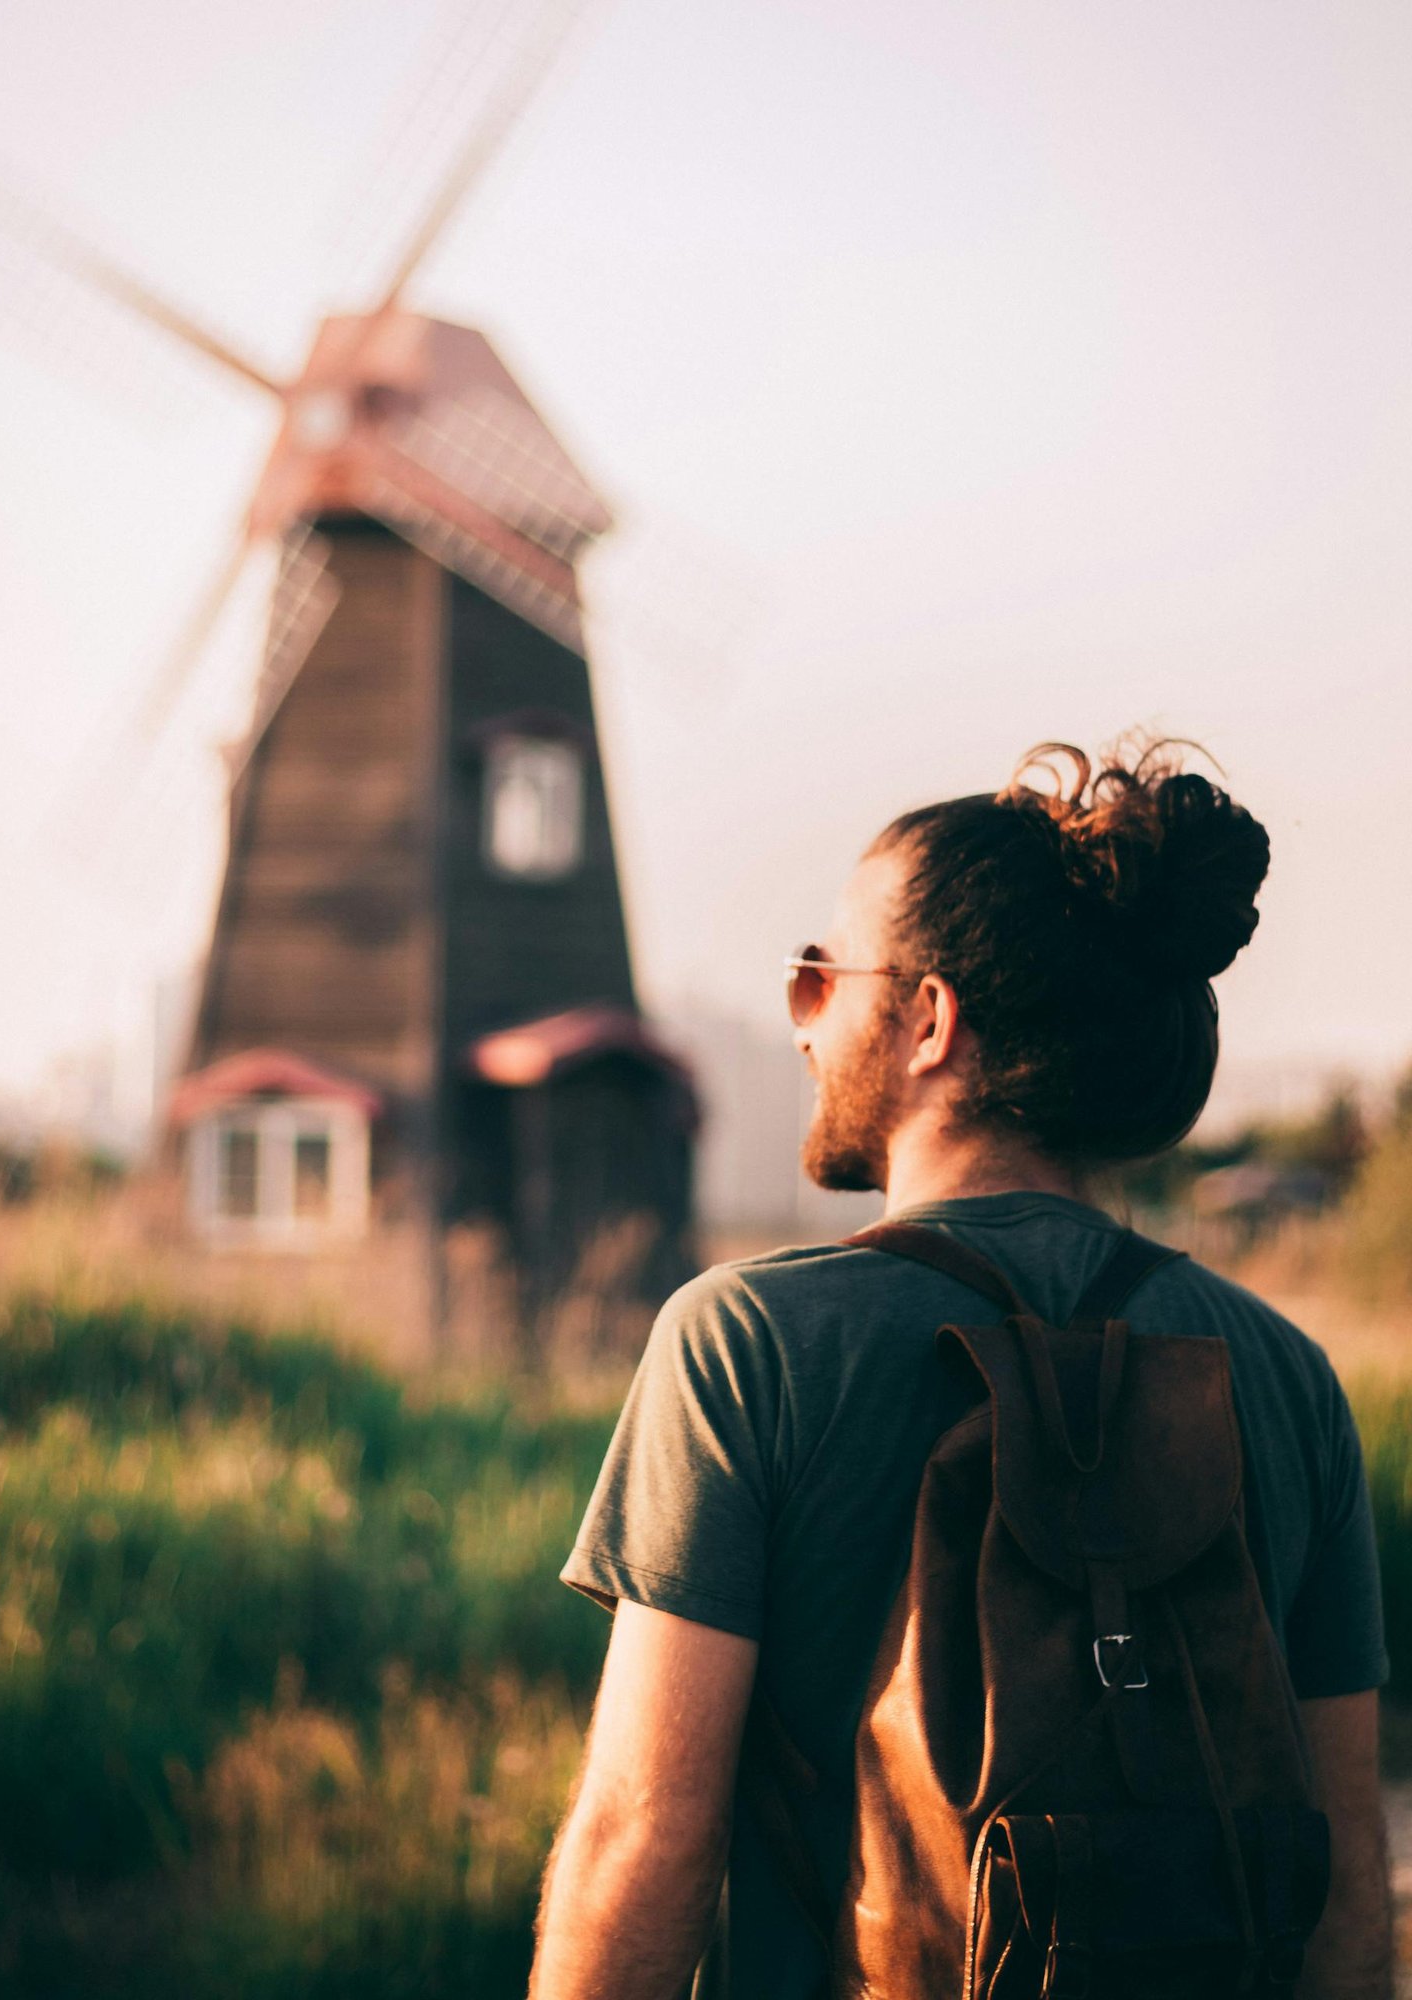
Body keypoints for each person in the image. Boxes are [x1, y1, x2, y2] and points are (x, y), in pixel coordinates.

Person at [529, 741, 1393, 2000]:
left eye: (826, 969)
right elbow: (1346, 1883)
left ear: (929, 1018)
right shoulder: (1282, 1373)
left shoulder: (747, 1341)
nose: (801, 1003)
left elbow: (642, 1844)